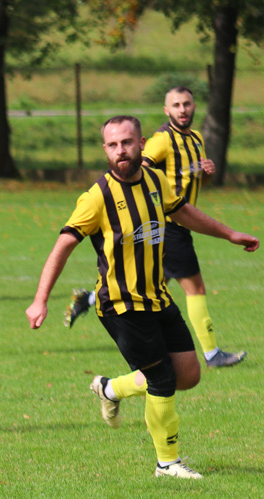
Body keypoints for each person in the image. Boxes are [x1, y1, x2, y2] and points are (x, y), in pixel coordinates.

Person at [26, 116, 258, 479]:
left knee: (189, 374)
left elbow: (183, 211)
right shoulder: (96, 197)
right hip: (121, 306)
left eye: (128, 142)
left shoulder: (154, 180)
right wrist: (40, 299)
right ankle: (167, 463)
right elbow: (63, 245)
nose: (121, 150)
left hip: (157, 297)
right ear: (105, 149)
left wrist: (229, 234)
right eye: (114, 144)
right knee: (163, 379)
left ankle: (110, 388)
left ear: (141, 143)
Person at [64, 87, 246, 369]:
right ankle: (211, 353)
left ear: (195, 106)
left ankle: (87, 298)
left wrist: (204, 175)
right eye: (176, 105)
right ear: (166, 110)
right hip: (167, 224)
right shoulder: (161, 141)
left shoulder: (196, 139)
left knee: (151, 282)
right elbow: (137, 174)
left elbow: (192, 185)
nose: (182, 110)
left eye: (186, 104)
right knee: (194, 287)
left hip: (179, 222)